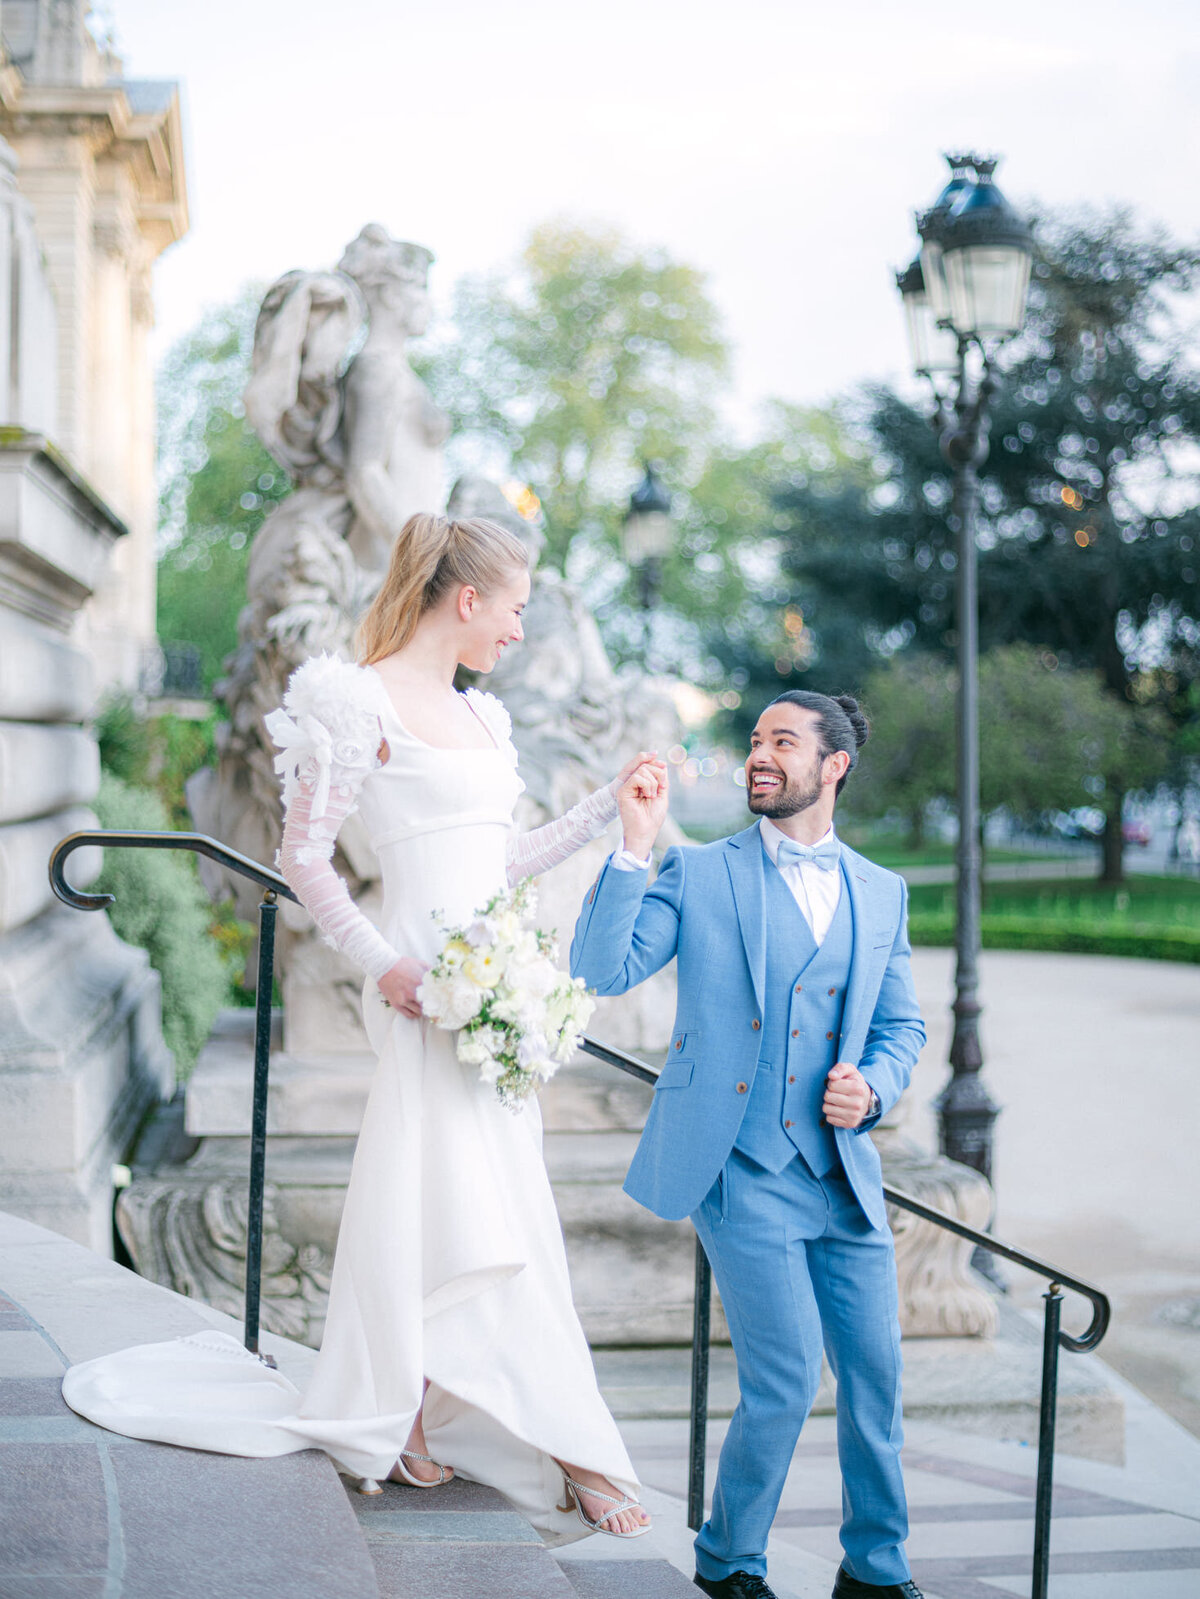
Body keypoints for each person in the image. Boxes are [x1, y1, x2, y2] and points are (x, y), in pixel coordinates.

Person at [63, 512, 667, 1545]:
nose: (521, 632)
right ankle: (575, 1450)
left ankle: (417, 1415)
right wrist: (384, 963)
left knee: (476, 1205)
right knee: (481, 1211)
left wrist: (607, 810)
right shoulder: (353, 700)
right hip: (423, 992)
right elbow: (306, 859)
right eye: (515, 610)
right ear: (467, 600)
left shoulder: (486, 719)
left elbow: (504, 859)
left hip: (495, 998)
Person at [570, 691, 928, 1599]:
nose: (759, 756)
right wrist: (635, 845)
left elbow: (901, 1027)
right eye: (755, 740)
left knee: (877, 1379)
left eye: (783, 741)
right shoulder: (700, 874)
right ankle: (730, 1561)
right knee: (784, 1374)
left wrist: (874, 1084)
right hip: (742, 1166)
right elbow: (599, 971)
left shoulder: (881, 891)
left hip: (843, 1174)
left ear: (834, 763)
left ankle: (876, 1572)